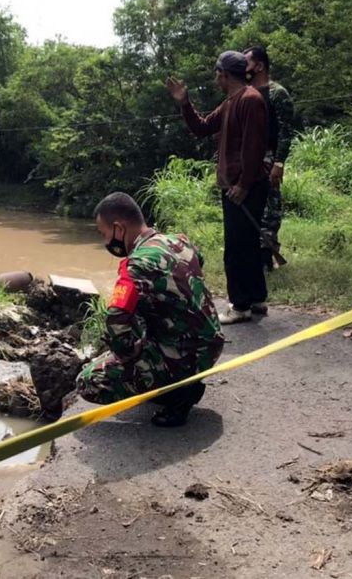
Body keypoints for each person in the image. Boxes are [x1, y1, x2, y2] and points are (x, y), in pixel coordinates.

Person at [76, 192, 224, 427]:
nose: (106, 243)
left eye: (104, 234)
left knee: (89, 381)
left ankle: (178, 395)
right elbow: (199, 262)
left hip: (187, 356)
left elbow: (115, 320)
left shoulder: (136, 265)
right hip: (210, 346)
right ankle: (173, 380)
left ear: (119, 229)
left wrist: (127, 354)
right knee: (142, 316)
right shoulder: (178, 241)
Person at [166, 51, 270, 324]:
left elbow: (254, 146)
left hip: (243, 187)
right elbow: (201, 128)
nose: (215, 79)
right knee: (247, 243)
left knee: (236, 246)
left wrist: (243, 184)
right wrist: (185, 104)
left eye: (217, 74)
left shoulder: (250, 100)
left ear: (224, 74)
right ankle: (257, 299)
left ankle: (240, 306)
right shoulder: (230, 103)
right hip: (236, 185)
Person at [244, 45, 296, 272]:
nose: (243, 67)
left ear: (259, 65)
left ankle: (266, 257)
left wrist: (278, 162)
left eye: (247, 62)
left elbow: (286, 131)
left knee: (270, 210)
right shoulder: (244, 93)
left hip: (269, 160)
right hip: (248, 162)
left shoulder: (277, 94)